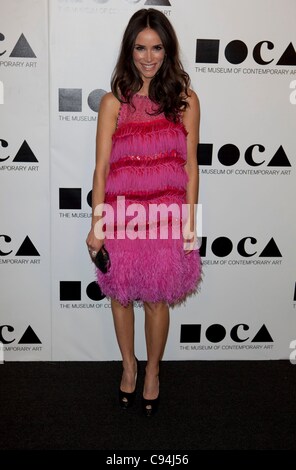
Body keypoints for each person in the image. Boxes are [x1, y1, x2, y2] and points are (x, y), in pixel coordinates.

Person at [86, 8, 202, 416]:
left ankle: (153, 371)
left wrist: (191, 223)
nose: (148, 57)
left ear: (168, 51)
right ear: (129, 50)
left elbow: (191, 167)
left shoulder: (186, 101)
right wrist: (96, 225)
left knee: (156, 299)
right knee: (120, 297)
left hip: (166, 216)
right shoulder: (112, 103)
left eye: (156, 48)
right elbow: (100, 168)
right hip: (121, 215)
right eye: (140, 47)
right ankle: (129, 365)